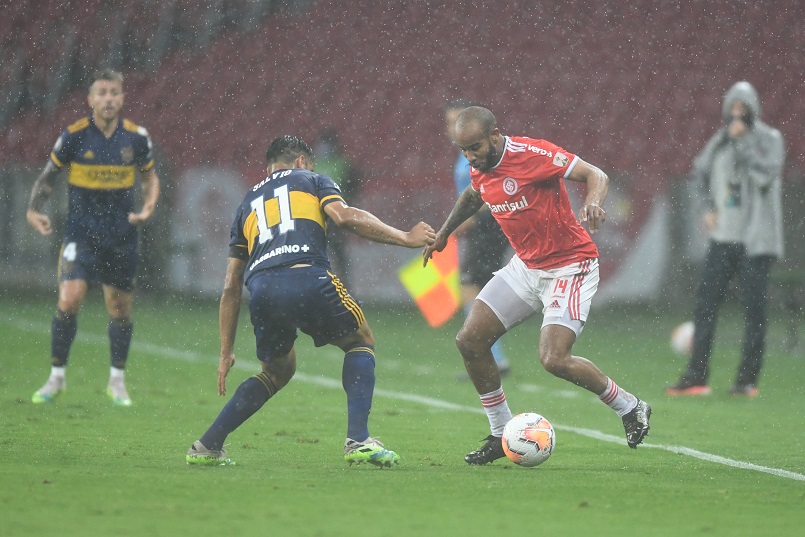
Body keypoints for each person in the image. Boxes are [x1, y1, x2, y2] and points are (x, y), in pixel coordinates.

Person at [186, 135, 435, 467]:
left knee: (276, 371)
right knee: (360, 340)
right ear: (301, 161)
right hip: (307, 276)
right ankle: (359, 440)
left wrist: (225, 351)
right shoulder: (311, 179)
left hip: (261, 289)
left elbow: (231, 284)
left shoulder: (246, 203)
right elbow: (344, 217)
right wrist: (405, 237)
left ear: (269, 167)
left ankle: (207, 446)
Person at [423, 106, 651, 464]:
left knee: (554, 359)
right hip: (527, 268)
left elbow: (596, 174)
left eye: (475, 148)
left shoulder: (533, 154)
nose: (470, 156)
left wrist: (592, 203)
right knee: (470, 341)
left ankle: (630, 406)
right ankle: (500, 433)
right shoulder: (480, 166)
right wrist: (444, 234)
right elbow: (473, 194)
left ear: (495, 136)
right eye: (463, 150)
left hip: (570, 266)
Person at [27, 68, 160, 407]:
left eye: (114, 92)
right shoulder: (74, 136)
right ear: (90, 100)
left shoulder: (136, 138)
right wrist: (33, 208)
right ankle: (56, 377)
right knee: (69, 301)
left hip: (120, 237)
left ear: (122, 98)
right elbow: (48, 176)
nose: (108, 99)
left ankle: (117, 382)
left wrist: (147, 207)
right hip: (81, 234)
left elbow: (150, 178)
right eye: (101, 93)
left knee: (119, 310)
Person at [667, 81, 785, 398]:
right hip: (723, 237)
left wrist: (743, 144)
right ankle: (696, 376)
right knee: (705, 306)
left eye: (742, 111)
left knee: (754, 312)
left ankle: (746, 381)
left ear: (753, 112)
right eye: (732, 110)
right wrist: (707, 207)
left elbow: (766, 175)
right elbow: (698, 173)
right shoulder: (718, 142)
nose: (736, 117)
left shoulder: (769, 139)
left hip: (755, 240)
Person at [444, 100, 510, 377]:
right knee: (475, 289)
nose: (453, 127)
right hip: (476, 228)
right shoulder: (464, 157)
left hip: (488, 227)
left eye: (457, 120)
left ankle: (488, 356)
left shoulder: (482, 155)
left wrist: (471, 216)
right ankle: (491, 355)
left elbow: (495, 189)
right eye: (448, 122)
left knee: (474, 289)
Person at [312, 127, 359, 287]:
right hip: (316, 216)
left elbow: (353, 187)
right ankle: (318, 285)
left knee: (338, 254)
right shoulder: (313, 164)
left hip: (336, 216)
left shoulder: (342, 164)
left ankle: (344, 286)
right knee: (317, 253)